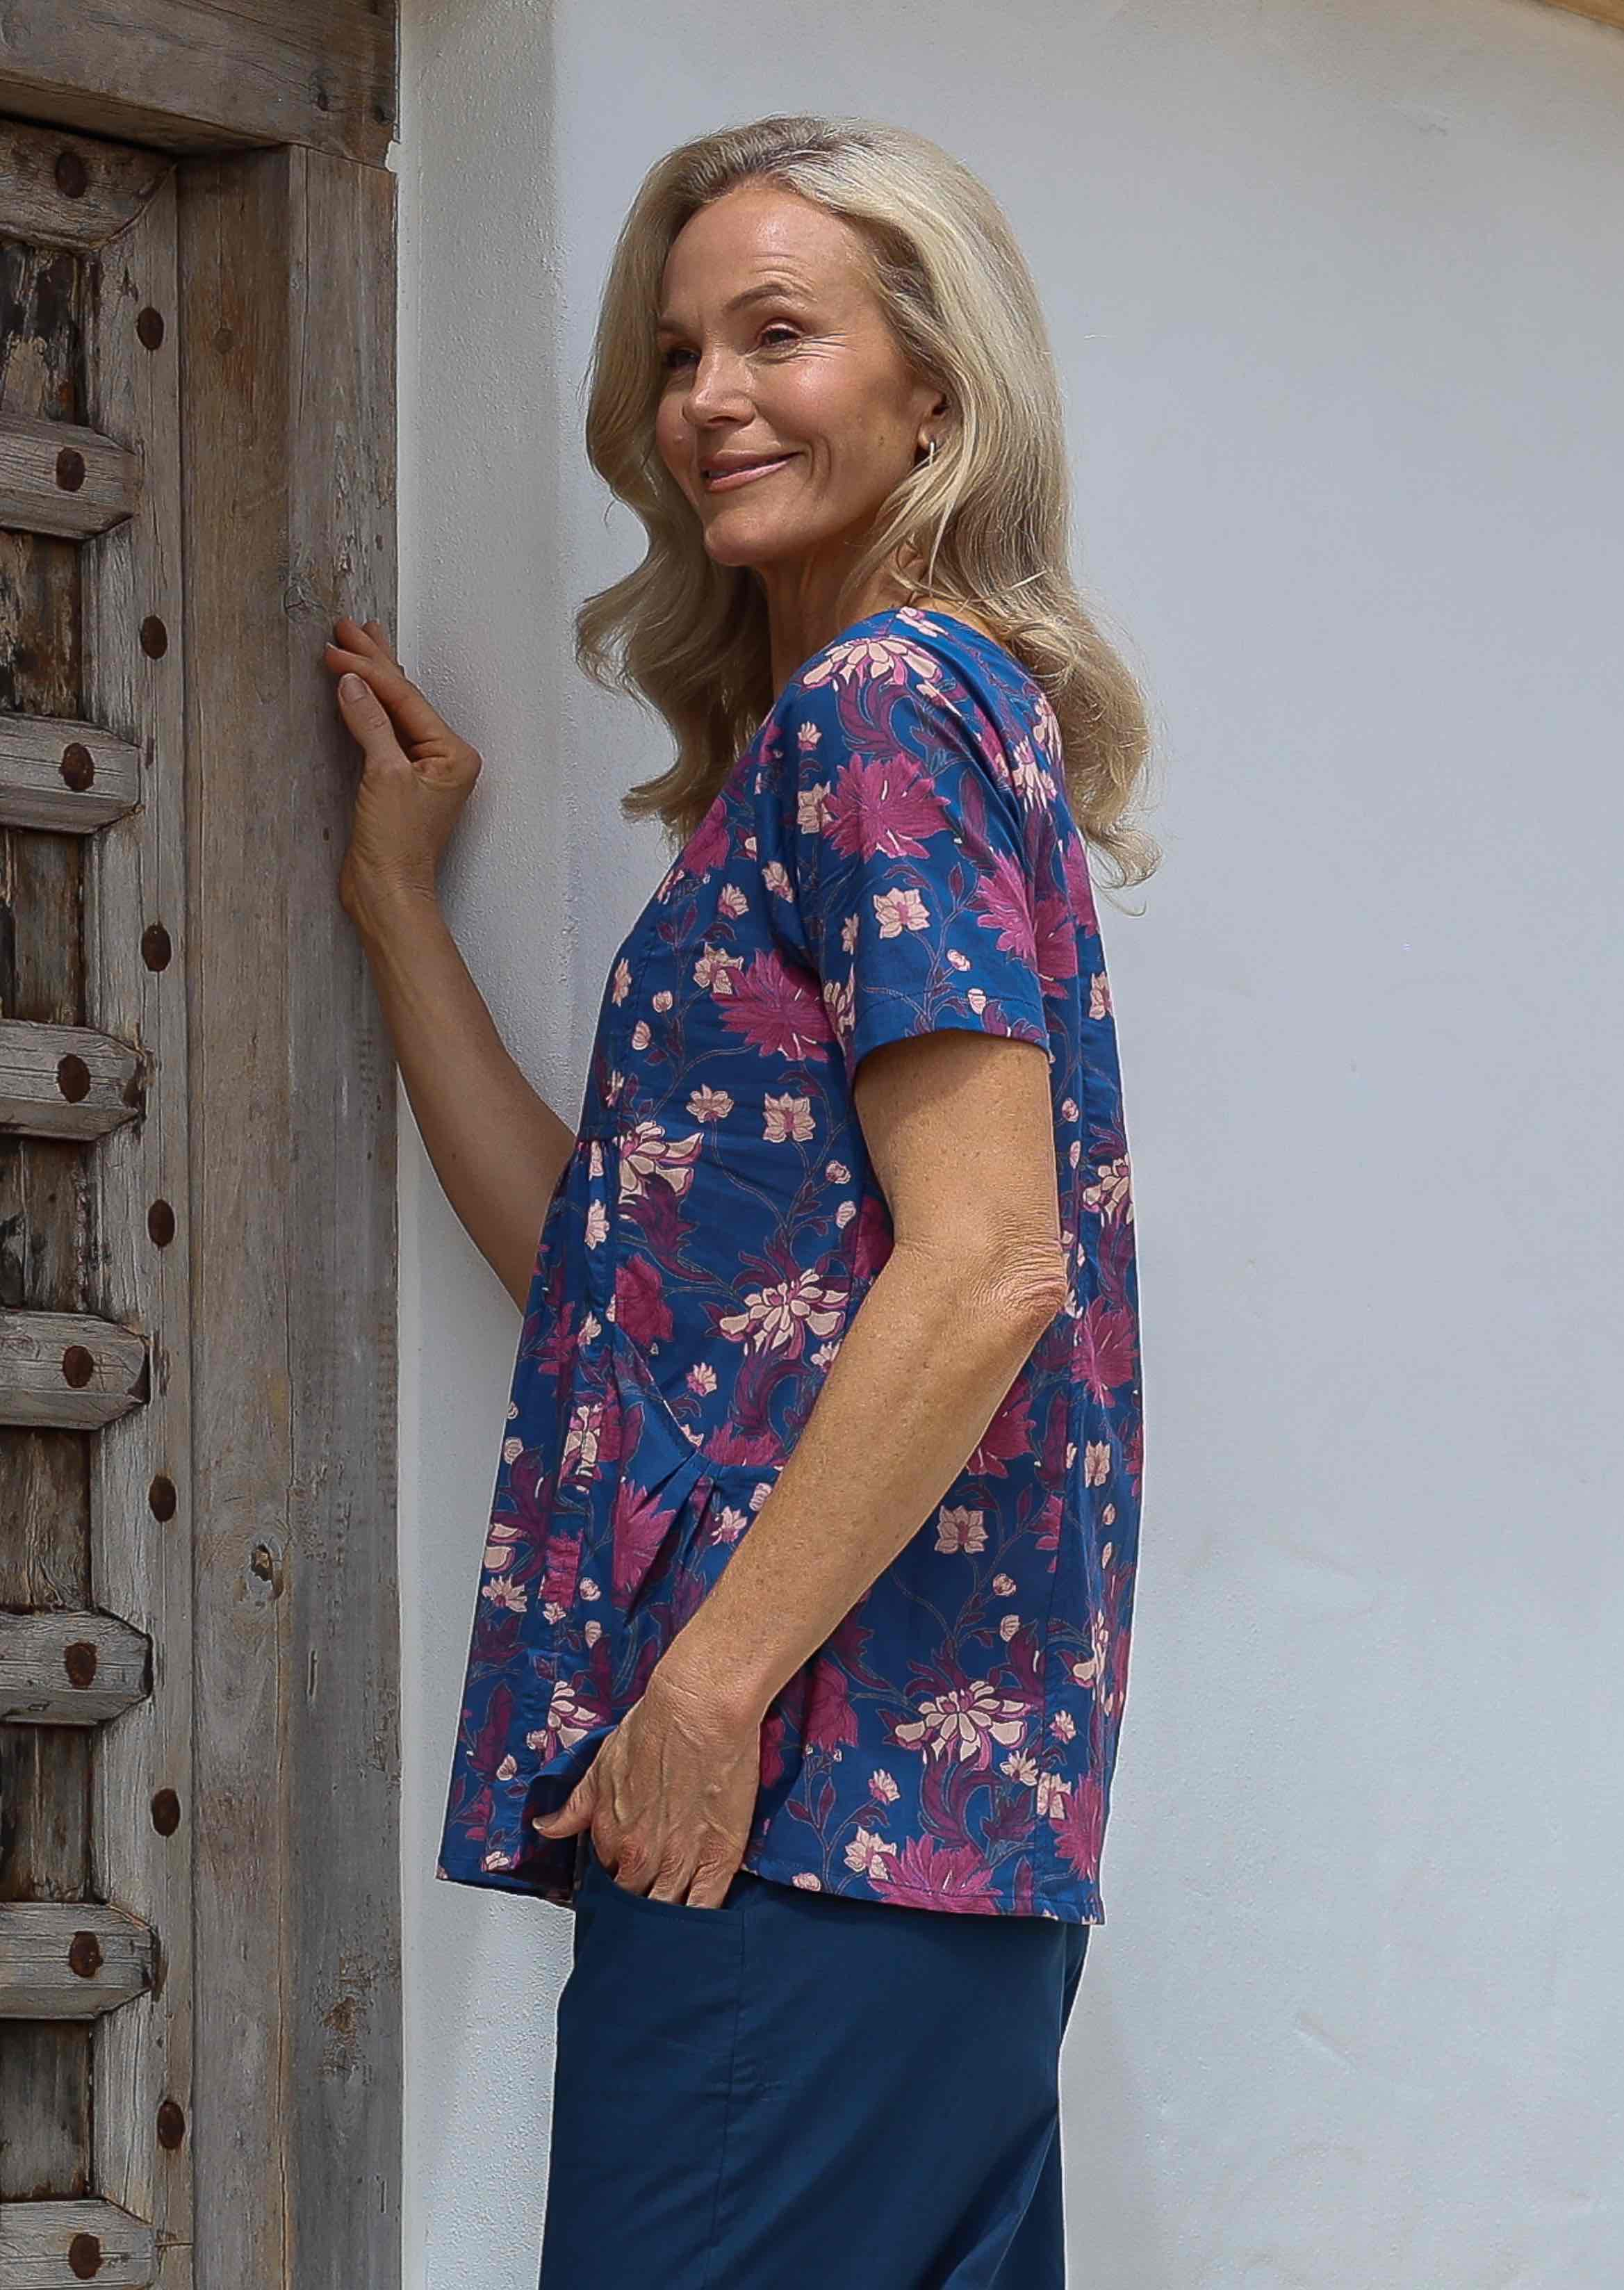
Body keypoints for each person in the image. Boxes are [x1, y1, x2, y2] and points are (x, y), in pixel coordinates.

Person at [326, 111, 1157, 2290]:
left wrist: (700, 1701)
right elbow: (602, 1279)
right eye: (680, 349)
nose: (706, 395)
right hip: (899, 1853)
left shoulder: (883, 711)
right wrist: (406, 921)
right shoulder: (874, 742)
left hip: (793, 1815)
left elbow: (985, 1263)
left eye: (775, 334)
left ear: (934, 390)